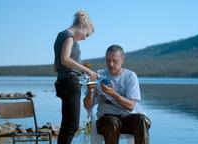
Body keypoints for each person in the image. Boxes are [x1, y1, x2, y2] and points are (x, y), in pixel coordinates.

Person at [84, 45, 151, 144]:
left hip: (127, 119)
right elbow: (87, 105)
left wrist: (112, 93)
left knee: (142, 120)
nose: (111, 64)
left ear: (123, 60)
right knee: (112, 122)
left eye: (115, 61)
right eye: (108, 60)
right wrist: (90, 91)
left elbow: (131, 106)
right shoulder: (99, 75)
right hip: (106, 120)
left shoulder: (130, 76)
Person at [54, 10, 97, 144]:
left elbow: (58, 65)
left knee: (67, 125)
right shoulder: (68, 36)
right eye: (86, 34)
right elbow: (65, 59)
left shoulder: (61, 35)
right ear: (82, 26)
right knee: (72, 126)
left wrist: (79, 70)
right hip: (70, 84)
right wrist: (87, 71)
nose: (84, 38)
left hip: (63, 82)